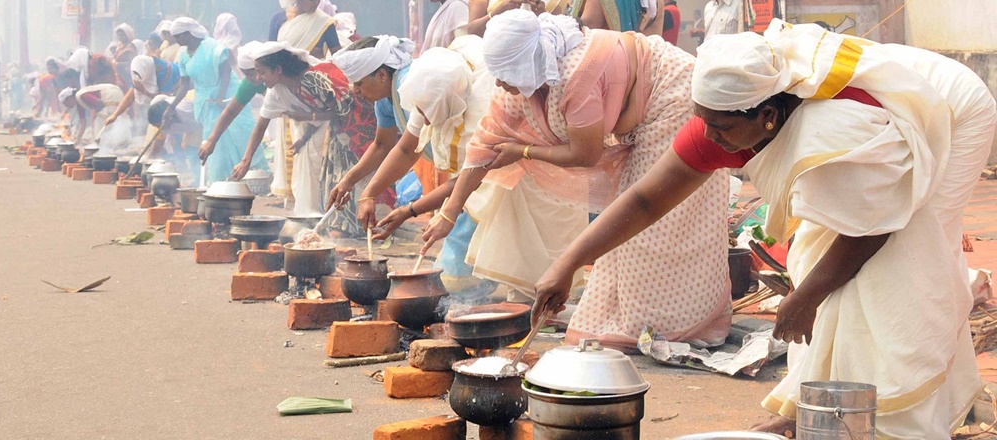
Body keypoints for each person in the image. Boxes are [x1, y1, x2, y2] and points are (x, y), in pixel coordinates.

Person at [533, 21, 996, 437]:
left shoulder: (831, 130)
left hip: (949, 116)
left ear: (768, 119)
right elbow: (645, 199)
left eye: (719, 129)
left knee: (898, 268)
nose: (707, 138)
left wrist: (805, 297)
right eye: (702, 121)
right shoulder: (728, 112)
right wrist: (568, 263)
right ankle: (811, 409)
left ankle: (901, 416)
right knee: (819, 264)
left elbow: (872, 230)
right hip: (881, 131)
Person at [423, 10, 732, 345]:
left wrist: (524, 152)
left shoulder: (574, 76)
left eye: (505, 74)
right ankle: (631, 318)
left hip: (673, 100)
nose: (499, 82)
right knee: (622, 223)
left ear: (526, 61)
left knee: (648, 224)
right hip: (641, 117)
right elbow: (484, 148)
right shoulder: (519, 80)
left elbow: (585, 155)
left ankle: (669, 325)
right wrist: (447, 215)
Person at [356, 35, 498, 301]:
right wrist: (370, 193)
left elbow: (471, 179)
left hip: (498, 186)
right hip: (469, 188)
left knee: (467, 270)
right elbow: (406, 148)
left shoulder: (482, 113)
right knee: (456, 269)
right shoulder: (425, 91)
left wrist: (412, 210)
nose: (424, 118)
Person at [230, 42, 379, 226]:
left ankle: (373, 223)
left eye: (262, 72)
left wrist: (307, 116)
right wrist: (246, 160)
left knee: (364, 176)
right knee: (338, 181)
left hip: (360, 127)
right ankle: (347, 226)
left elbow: (342, 110)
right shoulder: (276, 93)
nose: (259, 78)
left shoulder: (316, 77)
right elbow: (261, 126)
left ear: (278, 69)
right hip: (338, 132)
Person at [167, 17, 268, 184]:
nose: (176, 40)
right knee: (215, 139)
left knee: (240, 131)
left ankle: (253, 173)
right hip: (205, 100)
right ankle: (220, 178)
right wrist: (172, 106)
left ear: (188, 34)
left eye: (178, 36)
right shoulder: (183, 56)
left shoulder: (212, 47)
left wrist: (220, 95)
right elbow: (184, 85)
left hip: (227, 92)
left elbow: (225, 72)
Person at [328, 36, 420, 209]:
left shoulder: (407, 86)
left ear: (382, 75)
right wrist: (348, 181)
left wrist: (369, 194)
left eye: (359, 83)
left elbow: (407, 150)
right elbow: (382, 145)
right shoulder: (384, 100)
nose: (355, 91)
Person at [199, 41, 267, 168]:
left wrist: (246, 160)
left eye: (252, 73)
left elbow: (262, 125)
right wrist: (211, 140)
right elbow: (230, 112)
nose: (253, 78)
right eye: (246, 74)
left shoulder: (280, 76)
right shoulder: (249, 83)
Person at [103, 55, 180, 127]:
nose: (137, 76)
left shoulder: (163, 72)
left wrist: (144, 91)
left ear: (144, 68)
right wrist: (115, 115)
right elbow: (129, 97)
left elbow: (164, 101)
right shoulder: (140, 75)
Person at [147, 95, 203, 185]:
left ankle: (204, 182)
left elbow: (203, 121)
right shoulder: (163, 122)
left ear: (167, 116)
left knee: (197, 153)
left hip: (203, 123)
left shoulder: (186, 110)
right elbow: (159, 140)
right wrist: (149, 159)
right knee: (192, 154)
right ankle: (198, 182)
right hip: (192, 129)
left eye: (159, 125)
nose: (160, 128)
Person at [58, 83, 129, 150]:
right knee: (100, 124)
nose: (66, 106)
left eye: (65, 104)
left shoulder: (81, 95)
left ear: (69, 99)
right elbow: (82, 122)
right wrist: (77, 140)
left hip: (111, 94)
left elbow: (99, 104)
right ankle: (108, 145)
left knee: (104, 120)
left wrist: (93, 124)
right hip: (107, 98)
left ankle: (117, 144)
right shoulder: (79, 102)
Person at [465, 0, 543, 37]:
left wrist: (542, 13)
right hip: (495, 59)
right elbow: (472, 31)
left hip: (536, 58)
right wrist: (497, 12)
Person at [110, 24, 139, 91]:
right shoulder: (120, 46)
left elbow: (130, 63)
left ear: (127, 35)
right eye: (119, 35)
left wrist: (116, 64)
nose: (120, 37)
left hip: (126, 75)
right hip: (117, 73)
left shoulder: (130, 48)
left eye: (122, 35)